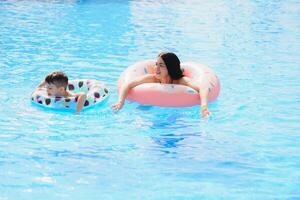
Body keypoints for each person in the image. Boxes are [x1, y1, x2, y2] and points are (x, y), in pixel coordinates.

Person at [112, 52, 211, 117]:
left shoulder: (180, 81)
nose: (156, 68)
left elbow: (203, 87)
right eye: (156, 64)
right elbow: (128, 84)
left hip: (176, 109)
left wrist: (204, 107)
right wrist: (121, 102)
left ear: (170, 68)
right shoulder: (152, 78)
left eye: (161, 65)